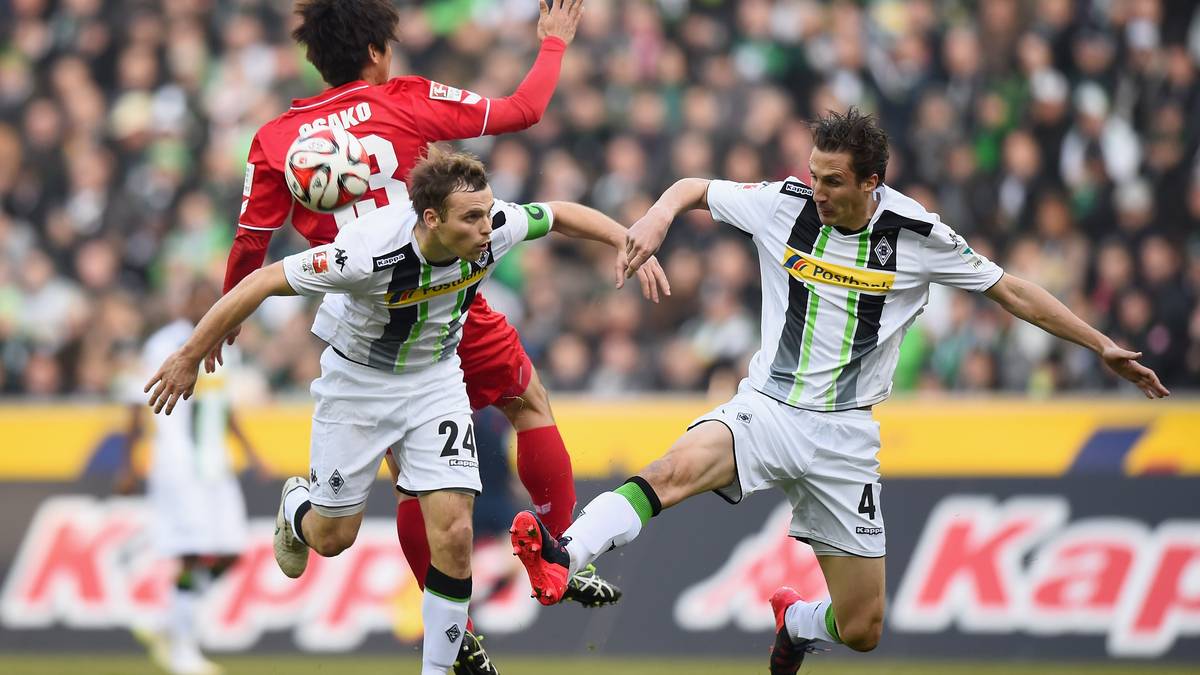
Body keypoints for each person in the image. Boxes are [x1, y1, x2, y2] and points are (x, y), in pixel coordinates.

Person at [508, 108, 1170, 674]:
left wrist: (1099, 344)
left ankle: (797, 622)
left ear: (871, 183)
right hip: (767, 407)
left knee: (862, 627)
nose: (816, 190)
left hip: (846, 436)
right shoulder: (785, 203)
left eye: (831, 181)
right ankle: (565, 553)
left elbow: (1012, 290)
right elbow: (693, 186)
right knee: (671, 469)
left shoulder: (917, 234)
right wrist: (657, 218)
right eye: (813, 174)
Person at [147, 148, 669, 675]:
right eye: (473, 217)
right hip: (357, 387)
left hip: (434, 381)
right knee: (333, 538)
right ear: (431, 219)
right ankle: (298, 507)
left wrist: (628, 240)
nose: (488, 226)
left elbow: (557, 213)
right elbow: (261, 281)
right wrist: (190, 355)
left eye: (488, 213)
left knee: (455, 532)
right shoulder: (366, 254)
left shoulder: (493, 227)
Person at [215, 4, 625, 655]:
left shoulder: (276, 139)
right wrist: (551, 45)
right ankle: (556, 551)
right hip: (446, 292)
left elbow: (250, 247)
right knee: (527, 403)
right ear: (378, 50)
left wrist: (224, 320)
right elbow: (523, 110)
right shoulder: (404, 100)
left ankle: (451, 630)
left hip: (365, 315)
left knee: (417, 472)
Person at [118, 281, 265, 675]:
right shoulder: (164, 342)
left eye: (213, 301)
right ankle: (183, 647)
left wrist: (250, 451)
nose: (207, 306)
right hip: (179, 461)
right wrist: (130, 461)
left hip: (215, 463)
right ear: (184, 301)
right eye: (200, 299)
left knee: (230, 551)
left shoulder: (221, 344)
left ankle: (166, 622)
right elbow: (136, 399)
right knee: (193, 553)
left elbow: (222, 404)